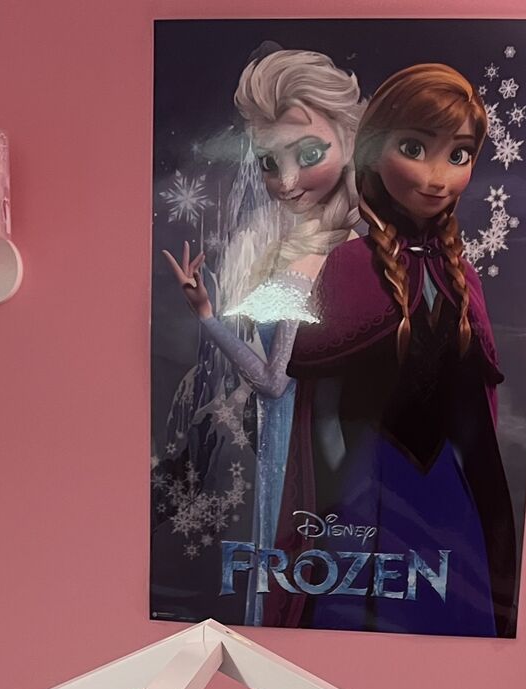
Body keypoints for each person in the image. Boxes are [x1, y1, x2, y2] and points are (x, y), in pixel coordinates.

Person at [268, 63, 519, 637]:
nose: (436, 177)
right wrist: (336, 499)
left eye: (458, 155)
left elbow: (477, 414)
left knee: (452, 626)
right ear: (374, 150)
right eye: (414, 148)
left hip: (447, 489)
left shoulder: (461, 276)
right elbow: (316, 407)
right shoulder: (348, 265)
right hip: (365, 486)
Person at [161, 49, 365, 621]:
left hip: (308, 443)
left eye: (309, 154)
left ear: (351, 141)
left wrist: (207, 316)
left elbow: (274, 382)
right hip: (326, 445)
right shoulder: (341, 249)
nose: (289, 181)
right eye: (271, 164)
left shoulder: (312, 260)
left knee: (291, 582)